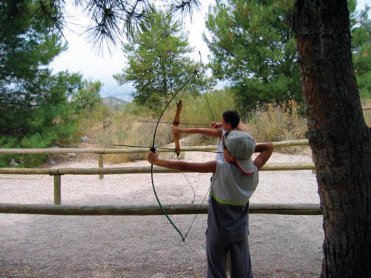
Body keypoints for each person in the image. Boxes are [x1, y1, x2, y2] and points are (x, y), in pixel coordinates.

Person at [147, 128, 273, 277]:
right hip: (240, 233)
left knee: (216, 272)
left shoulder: (219, 168)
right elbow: (269, 147)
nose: (222, 148)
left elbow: (184, 166)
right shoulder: (255, 170)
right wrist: (245, 149)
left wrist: (155, 161)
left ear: (231, 155)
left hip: (218, 234)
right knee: (242, 272)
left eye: (224, 147)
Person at [172, 110, 245, 161]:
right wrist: (220, 124)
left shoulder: (222, 133)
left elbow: (199, 130)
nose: (220, 123)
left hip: (222, 167)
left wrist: (180, 130)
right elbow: (237, 122)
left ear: (228, 125)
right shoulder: (241, 133)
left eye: (222, 122)